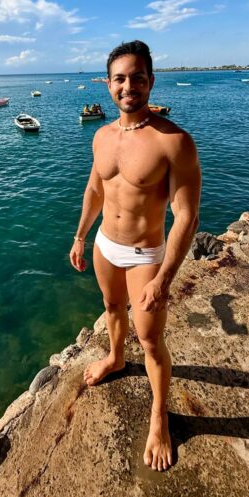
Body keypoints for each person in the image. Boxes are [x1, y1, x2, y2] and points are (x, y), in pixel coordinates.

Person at [70, 40, 201, 473]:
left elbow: (186, 217)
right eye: (120, 79)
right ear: (108, 84)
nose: (129, 86)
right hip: (106, 245)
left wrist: (163, 279)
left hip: (146, 255)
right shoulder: (101, 136)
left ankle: (159, 416)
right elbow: (95, 189)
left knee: (150, 340)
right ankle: (114, 358)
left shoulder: (174, 142)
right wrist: (80, 236)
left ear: (151, 81)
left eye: (138, 78)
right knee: (111, 308)